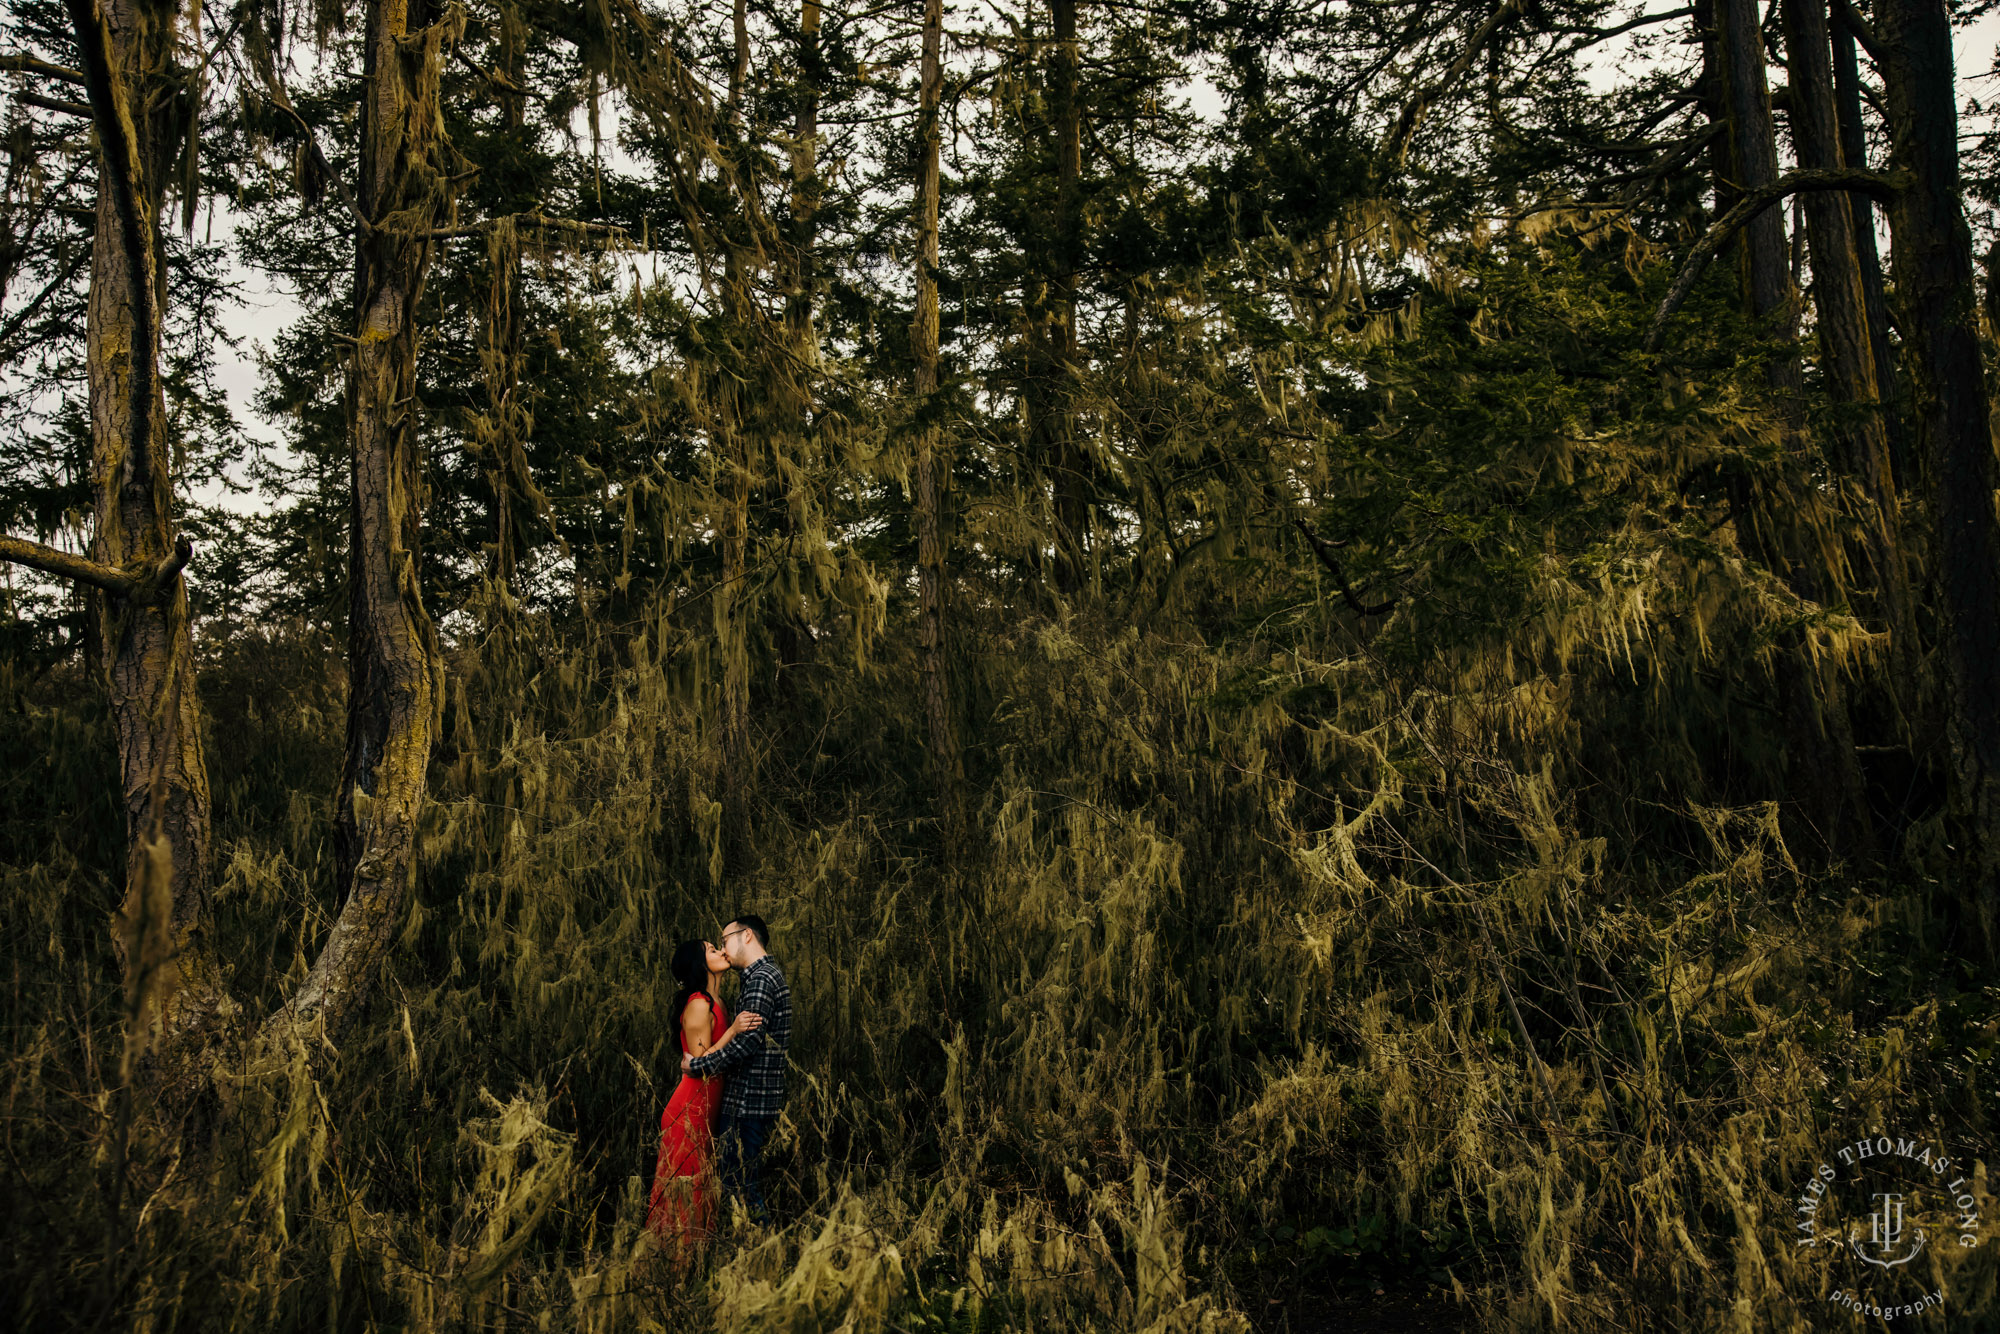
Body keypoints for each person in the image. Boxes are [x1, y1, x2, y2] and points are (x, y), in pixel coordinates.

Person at [647, 937, 765, 1259]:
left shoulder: (719, 1002)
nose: (721, 951)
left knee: (703, 1193)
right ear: (700, 964)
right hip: (688, 1111)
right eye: (712, 950)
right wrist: (733, 1031)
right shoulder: (700, 1003)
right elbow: (699, 1065)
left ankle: (694, 1267)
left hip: (708, 1111)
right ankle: (672, 1268)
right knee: (685, 1194)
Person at [683, 913, 792, 1224]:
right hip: (749, 1102)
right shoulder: (760, 978)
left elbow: (746, 1044)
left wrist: (697, 1066)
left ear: (746, 936)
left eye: (725, 940)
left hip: (748, 1104)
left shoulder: (761, 979)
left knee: (741, 1190)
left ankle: (758, 1254)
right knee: (740, 1186)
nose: (723, 948)